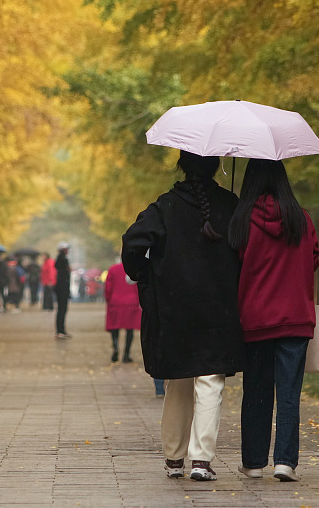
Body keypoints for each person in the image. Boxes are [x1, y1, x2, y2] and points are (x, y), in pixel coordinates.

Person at [121, 151, 243, 482]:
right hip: (219, 307)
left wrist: (147, 275)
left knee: (178, 381)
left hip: (175, 308)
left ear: (182, 166)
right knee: (210, 382)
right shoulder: (231, 206)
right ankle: (201, 460)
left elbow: (132, 242)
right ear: (217, 166)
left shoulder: (164, 206)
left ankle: (174, 458)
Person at [229, 158, 319, 483]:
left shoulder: (242, 220)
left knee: (256, 391)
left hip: (255, 319)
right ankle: (285, 462)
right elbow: (314, 259)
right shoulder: (302, 220)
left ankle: (253, 462)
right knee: (290, 392)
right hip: (295, 318)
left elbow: (233, 263)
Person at [104, 260, 140, 363]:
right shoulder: (133, 269)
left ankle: (115, 347)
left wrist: (108, 299)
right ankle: (126, 354)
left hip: (115, 302)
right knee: (129, 329)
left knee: (115, 328)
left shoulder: (113, 269)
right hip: (131, 302)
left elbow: (108, 286)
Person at [54, 243, 72, 338]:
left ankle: (61, 330)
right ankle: (60, 330)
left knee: (62, 309)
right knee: (62, 309)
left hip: (62, 288)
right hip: (62, 288)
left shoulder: (61, 260)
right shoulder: (62, 260)